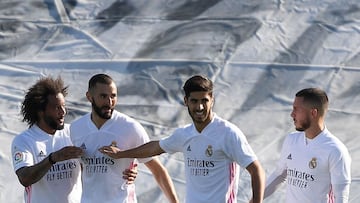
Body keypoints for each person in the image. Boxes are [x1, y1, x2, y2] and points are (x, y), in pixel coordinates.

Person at [100, 74, 265, 203]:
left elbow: (256, 170)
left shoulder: (228, 133)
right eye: (194, 101)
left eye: (204, 101)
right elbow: (155, 147)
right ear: (186, 101)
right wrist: (121, 154)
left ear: (212, 100)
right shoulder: (184, 134)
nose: (199, 107)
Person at [70, 73, 179, 203]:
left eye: (113, 96)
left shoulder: (130, 127)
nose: (109, 102)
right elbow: (80, 168)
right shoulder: (76, 129)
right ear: (89, 97)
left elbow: (158, 170)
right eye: (103, 96)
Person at [261, 88, 352, 203]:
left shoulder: (335, 150)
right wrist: (255, 199)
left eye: (296, 109)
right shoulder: (291, 140)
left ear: (313, 113)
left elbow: (341, 197)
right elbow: (279, 175)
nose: (292, 114)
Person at [11, 76, 84, 203]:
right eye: (57, 108)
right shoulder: (23, 141)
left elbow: (96, 162)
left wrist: (128, 170)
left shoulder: (74, 132)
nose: (63, 112)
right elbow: (25, 179)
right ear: (40, 111)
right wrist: (52, 159)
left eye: (64, 106)